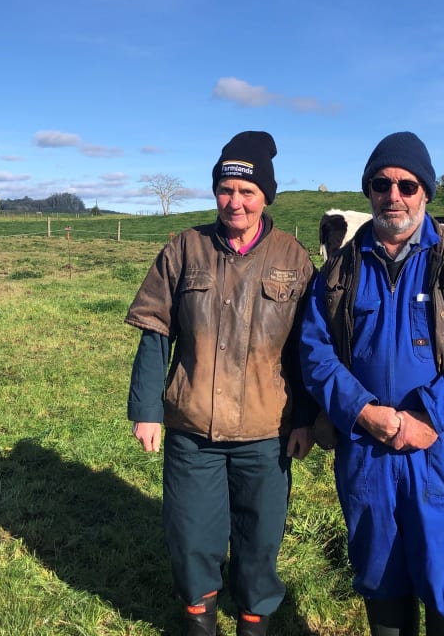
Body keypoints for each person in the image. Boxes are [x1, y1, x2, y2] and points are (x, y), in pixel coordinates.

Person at [298, 131, 444, 636]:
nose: (393, 195)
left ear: (426, 193)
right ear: (369, 191)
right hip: (366, 449)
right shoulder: (339, 270)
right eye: (381, 183)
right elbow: (315, 352)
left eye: (407, 184)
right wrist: (363, 412)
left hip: (441, 447)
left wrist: (428, 415)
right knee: (380, 577)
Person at [125, 131, 315, 636]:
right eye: (226, 190)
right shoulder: (185, 249)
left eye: (247, 192)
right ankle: (199, 622)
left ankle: (254, 623)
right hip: (192, 431)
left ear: (266, 196)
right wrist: (147, 408)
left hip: (266, 431)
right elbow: (154, 332)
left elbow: (305, 350)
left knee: (260, 541)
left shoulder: (294, 259)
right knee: (191, 538)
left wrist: (305, 420)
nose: (236, 202)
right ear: (215, 193)